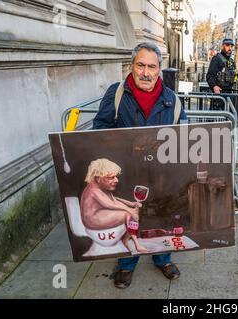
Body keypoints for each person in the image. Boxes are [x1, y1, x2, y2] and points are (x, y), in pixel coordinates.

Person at [93, 42, 186, 288]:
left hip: (160, 174)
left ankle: (162, 258)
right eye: (141, 65)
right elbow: (100, 129)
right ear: (132, 66)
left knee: (160, 216)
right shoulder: (116, 94)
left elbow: (184, 136)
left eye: (152, 67)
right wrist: (125, 145)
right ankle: (126, 264)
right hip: (127, 172)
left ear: (159, 69)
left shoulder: (173, 100)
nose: (146, 72)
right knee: (128, 219)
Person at [80, 158, 149, 253]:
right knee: (127, 215)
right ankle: (135, 243)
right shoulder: (93, 190)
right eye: (111, 177)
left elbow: (114, 200)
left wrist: (130, 204)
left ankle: (127, 241)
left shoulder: (99, 187)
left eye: (116, 176)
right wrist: (130, 210)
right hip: (93, 219)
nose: (116, 180)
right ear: (98, 178)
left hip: (99, 213)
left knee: (129, 213)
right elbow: (109, 204)